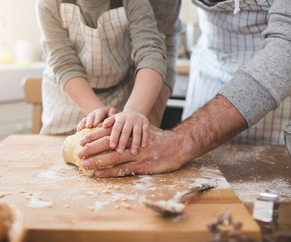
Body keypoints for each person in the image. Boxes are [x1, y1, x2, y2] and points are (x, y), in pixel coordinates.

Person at [76, 0, 291, 177]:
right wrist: (146, 126)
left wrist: (182, 142)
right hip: (209, 81)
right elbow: (162, 33)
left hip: (288, 94)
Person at [36, 0, 182, 155]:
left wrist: (135, 110)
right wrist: (98, 114)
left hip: (119, 97)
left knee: (117, 153)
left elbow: (150, 51)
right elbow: (64, 64)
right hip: (68, 97)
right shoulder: (48, 4)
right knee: (57, 159)